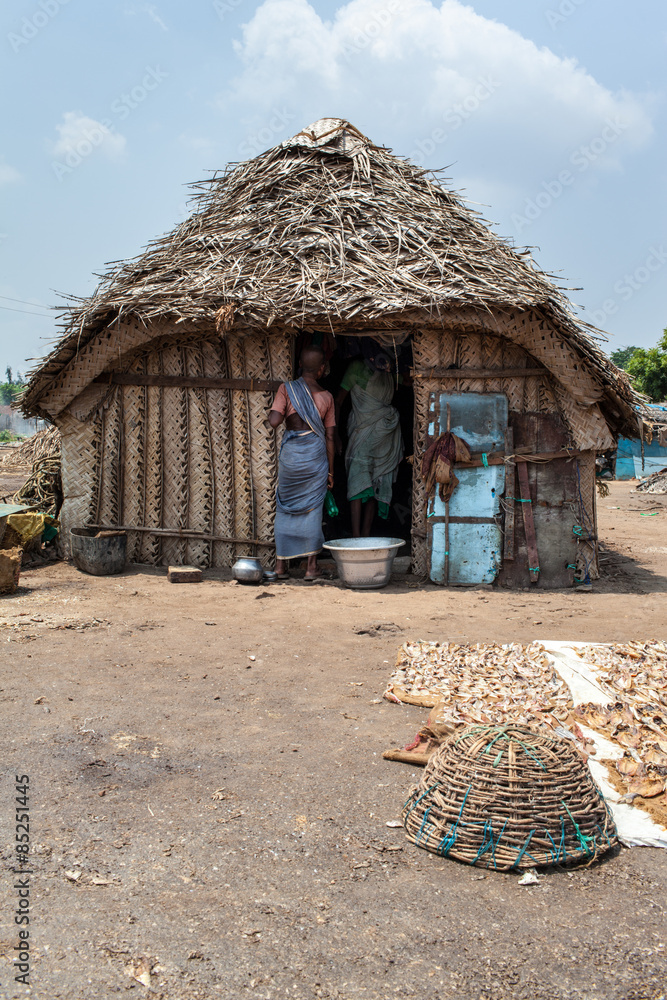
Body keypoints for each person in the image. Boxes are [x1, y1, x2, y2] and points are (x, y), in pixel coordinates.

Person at [268, 347, 335, 581]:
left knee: (285, 505)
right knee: (313, 509)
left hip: (292, 458)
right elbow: (329, 437)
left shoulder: (287, 389)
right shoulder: (327, 397)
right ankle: (311, 567)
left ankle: (280, 566)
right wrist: (331, 472)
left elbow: (275, 421)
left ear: (299, 364)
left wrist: (278, 409)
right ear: (321, 369)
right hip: (315, 457)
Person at [336, 341, 403, 537]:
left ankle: (365, 536)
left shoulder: (390, 367)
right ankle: (356, 537)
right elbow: (338, 401)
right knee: (357, 483)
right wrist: (336, 435)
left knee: (376, 483)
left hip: (384, 435)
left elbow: (407, 382)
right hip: (360, 433)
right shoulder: (356, 368)